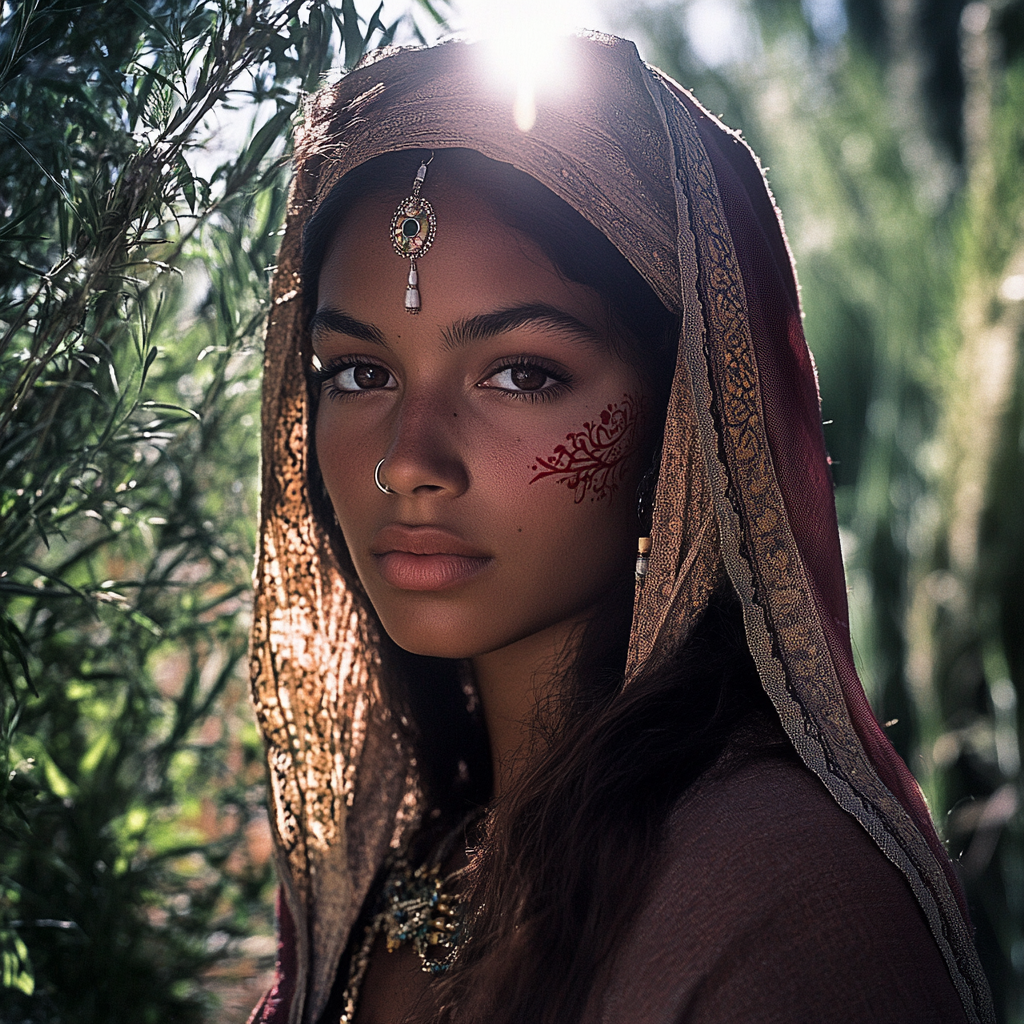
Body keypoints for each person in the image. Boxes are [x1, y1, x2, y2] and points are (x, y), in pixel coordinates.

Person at [246, 33, 993, 1024]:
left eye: (522, 374)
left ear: (680, 423)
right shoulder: (412, 864)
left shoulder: (782, 905)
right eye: (358, 374)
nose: (407, 460)